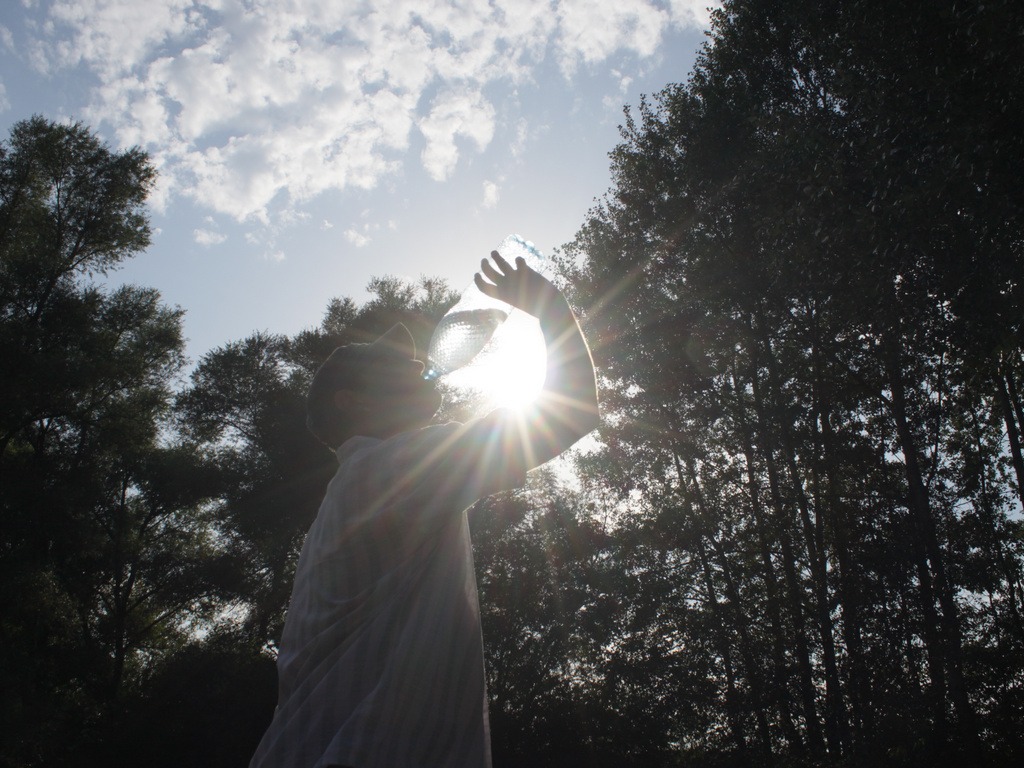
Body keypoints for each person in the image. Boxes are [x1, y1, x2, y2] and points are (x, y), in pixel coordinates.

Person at [249, 249, 599, 768]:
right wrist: (547, 305)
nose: (417, 363)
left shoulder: (355, 491)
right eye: (391, 366)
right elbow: (571, 413)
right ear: (354, 401)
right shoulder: (392, 470)